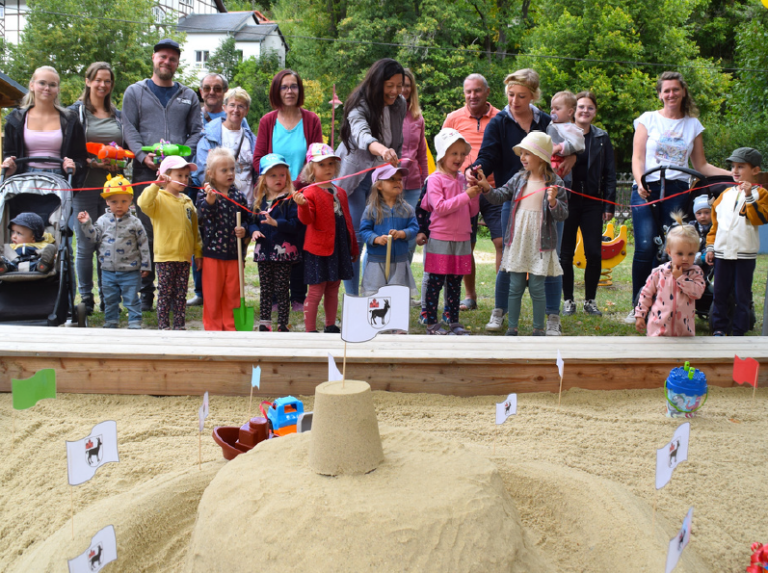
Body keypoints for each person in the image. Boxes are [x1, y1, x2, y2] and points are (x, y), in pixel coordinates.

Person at [468, 69, 573, 335]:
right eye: (511, 95)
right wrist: (478, 168)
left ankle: (551, 317)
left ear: (534, 96)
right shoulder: (500, 122)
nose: (515, 101)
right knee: (508, 257)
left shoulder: (548, 122)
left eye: (521, 96)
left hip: (548, 202)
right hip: (514, 199)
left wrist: (570, 159)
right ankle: (500, 311)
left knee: (550, 258)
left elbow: (569, 146)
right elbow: (488, 154)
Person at [627, 71, 729, 323]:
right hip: (647, 186)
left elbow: (702, 166)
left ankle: (667, 302)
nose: (671, 94)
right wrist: (639, 181)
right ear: (660, 94)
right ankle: (638, 305)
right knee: (645, 246)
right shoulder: (648, 119)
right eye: (666, 90)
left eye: (675, 89)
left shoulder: (692, 125)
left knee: (671, 249)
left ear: (683, 92)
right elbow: (637, 157)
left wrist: (735, 174)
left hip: (678, 189)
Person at [122, 38, 203, 312]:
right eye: (162, 57)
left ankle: (174, 292)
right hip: (147, 172)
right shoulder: (135, 92)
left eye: (172, 58)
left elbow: (196, 132)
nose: (167, 62)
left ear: (177, 63)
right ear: (153, 58)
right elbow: (128, 128)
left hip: (177, 178)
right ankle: (146, 293)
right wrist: (142, 156)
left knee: (176, 229)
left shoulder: (189, 96)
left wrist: (181, 162)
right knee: (146, 232)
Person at [477, 132, 568, 336]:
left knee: (537, 287)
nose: (522, 157)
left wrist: (553, 201)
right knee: (515, 285)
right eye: (522, 153)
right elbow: (500, 196)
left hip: (541, 243)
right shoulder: (519, 179)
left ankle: (539, 328)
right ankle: (512, 328)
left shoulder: (556, 183)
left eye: (528, 153)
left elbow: (562, 214)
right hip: (518, 241)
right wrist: (486, 187)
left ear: (541, 156)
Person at [253, 69, 323, 311]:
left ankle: (297, 297)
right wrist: (274, 180)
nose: (289, 91)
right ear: (277, 91)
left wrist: (300, 183)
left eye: (293, 86)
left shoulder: (311, 120)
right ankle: (273, 298)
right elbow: (258, 159)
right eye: (284, 87)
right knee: (274, 244)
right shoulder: (267, 121)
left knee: (300, 245)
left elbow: (316, 157)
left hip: (301, 195)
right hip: (274, 195)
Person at [336, 58, 407, 296]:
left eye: (399, 85)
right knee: (356, 235)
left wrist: (393, 160)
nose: (395, 91)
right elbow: (361, 136)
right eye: (390, 85)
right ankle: (353, 295)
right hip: (356, 178)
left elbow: (398, 138)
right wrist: (383, 150)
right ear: (377, 83)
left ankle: (372, 290)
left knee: (379, 235)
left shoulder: (400, 104)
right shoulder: (360, 105)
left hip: (383, 177)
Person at [442, 73, 503, 312]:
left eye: (477, 91)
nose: (472, 95)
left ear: (487, 92)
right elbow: (443, 151)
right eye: (468, 91)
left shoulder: (501, 117)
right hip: (463, 190)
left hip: (495, 187)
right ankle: (469, 296)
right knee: (465, 244)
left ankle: (501, 297)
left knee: (500, 242)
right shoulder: (453, 118)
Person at [70, 62, 124, 315]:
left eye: (108, 81)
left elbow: (123, 147)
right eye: (98, 80)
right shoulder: (75, 113)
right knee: (84, 245)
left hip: (112, 191)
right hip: (84, 187)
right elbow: (69, 151)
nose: (103, 85)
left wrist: (119, 162)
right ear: (88, 81)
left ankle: (107, 296)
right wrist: (90, 161)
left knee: (108, 243)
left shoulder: (117, 114)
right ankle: (86, 298)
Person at [559, 91, 617, 317]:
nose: (585, 111)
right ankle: (568, 301)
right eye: (581, 107)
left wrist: (608, 204)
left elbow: (609, 173)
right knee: (565, 254)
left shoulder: (602, 137)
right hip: (567, 200)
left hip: (593, 202)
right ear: (573, 110)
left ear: (595, 112)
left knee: (594, 252)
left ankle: (590, 301)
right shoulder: (560, 133)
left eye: (590, 108)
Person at [421, 128, 480, 336]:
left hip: (463, 237)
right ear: (443, 154)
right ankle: (431, 323)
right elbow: (440, 207)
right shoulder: (435, 179)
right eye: (454, 153)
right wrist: (466, 196)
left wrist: (475, 192)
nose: (459, 158)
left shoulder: (464, 180)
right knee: (436, 282)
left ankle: (453, 321)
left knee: (455, 282)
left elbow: (472, 211)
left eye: (463, 154)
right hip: (440, 238)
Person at [294, 143, 358, 333]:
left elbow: (348, 223)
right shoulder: (309, 192)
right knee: (316, 290)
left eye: (331, 164)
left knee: (333, 287)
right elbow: (307, 220)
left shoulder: (341, 193)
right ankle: (310, 330)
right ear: (311, 168)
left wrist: (352, 248)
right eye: (322, 165)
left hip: (339, 247)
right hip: (319, 250)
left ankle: (330, 325)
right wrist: (303, 206)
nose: (328, 168)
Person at [706, 147, 768, 336]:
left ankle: (739, 330)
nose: (735, 171)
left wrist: (749, 196)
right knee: (720, 293)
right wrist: (710, 246)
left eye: (741, 166)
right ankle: (719, 328)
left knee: (743, 295)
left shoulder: (762, 194)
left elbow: (760, 219)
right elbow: (715, 225)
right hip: (722, 252)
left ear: (755, 170)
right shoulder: (725, 194)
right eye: (733, 166)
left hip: (744, 254)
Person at [76, 175, 151, 329]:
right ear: (107, 201)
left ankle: (134, 321)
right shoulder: (102, 221)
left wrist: (145, 265)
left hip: (130, 270)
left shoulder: (135, 222)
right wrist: (86, 224)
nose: (119, 205)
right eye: (114, 201)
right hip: (108, 270)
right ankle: (111, 320)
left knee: (131, 298)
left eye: (124, 201)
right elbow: (94, 238)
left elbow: (143, 244)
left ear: (131, 200)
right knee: (110, 298)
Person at [137, 156, 202, 330]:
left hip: (185, 257)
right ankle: (163, 326)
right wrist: (155, 184)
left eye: (186, 176)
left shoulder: (188, 202)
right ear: (166, 176)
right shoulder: (157, 198)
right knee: (165, 293)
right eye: (179, 175)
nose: (184, 179)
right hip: (165, 256)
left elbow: (195, 230)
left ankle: (179, 326)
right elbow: (142, 203)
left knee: (181, 294)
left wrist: (198, 252)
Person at [2, 66, 86, 182]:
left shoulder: (70, 120)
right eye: (42, 83)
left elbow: (81, 157)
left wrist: (74, 166)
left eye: (52, 85)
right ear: (32, 85)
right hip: (24, 179)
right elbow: (9, 154)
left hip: (59, 180)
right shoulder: (16, 119)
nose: (47, 88)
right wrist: (10, 165)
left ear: (58, 89)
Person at [196, 147, 250, 332]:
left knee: (233, 292)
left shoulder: (239, 196)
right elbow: (202, 215)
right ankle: (212, 327)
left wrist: (245, 230)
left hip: (234, 254)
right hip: (213, 254)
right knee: (212, 294)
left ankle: (231, 326)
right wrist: (210, 201)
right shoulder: (205, 194)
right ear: (211, 174)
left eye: (232, 169)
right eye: (224, 170)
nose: (230, 173)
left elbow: (248, 219)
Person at [250, 154, 302, 332]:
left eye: (282, 175)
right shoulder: (260, 201)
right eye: (273, 175)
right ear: (264, 180)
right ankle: (265, 323)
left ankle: (282, 323)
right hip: (264, 253)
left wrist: (276, 223)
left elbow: (296, 225)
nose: (278, 179)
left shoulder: (290, 200)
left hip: (283, 254)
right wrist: (254, 231)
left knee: (281, 289)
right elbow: (251, 221)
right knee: (266, 289)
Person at [635, 213, 705, 336]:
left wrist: (681, 278)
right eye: (680, 253)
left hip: (684, 332)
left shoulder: (695, 272)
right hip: (658, 330)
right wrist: (640, 315)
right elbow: (646, 294)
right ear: (669, 252)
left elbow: (697, 293)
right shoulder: (660, 272)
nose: (685, 258)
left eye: (690, 254)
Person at [359, 164, 419, 301]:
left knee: (397, 296)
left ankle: (395, 321)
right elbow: (364, 230)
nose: (397, 182)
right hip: (376, 261)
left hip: (399, 261)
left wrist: (403, 234)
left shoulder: (407, 209)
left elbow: (414, 228)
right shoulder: (371, 209)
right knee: (375, 296)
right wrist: (376, 239)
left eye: (399, 179)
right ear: (379, 185)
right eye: (392, 179)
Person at [195, 87, 256, 203]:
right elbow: (203, 171)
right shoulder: (209, 136)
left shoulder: (252, 140)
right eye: (232, 105)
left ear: (247, 110)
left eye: (241, 106)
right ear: (225, 108)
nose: (236, 110)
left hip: (248, 205)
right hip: (220, 206)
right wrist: (216, 199)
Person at [399, 68, 429, 261]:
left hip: (413, 186)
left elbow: (422, 154)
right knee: (383, 235)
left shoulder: (418, 117)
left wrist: (426, 183)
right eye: (400, 84)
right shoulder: (383, 113)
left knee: (410, 235)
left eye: (407, 85)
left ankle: (402, 284)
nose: (403, 89)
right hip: (388, 185)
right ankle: (375, 286)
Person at [546, 90, 585, 176]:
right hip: (549, 162)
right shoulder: (551, 124)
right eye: (552, 108)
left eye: (557, 108)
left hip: (562, 164)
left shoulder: (572, 129)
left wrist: (560, 147)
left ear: (570, 112)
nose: (552, 111)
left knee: (561, 185)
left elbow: (578, 144)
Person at [690, 195, 712, 272]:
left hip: (708, 257)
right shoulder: (691, 227)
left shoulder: (715, 227)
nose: (703, 216)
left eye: (707, 213)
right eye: (699, 213)